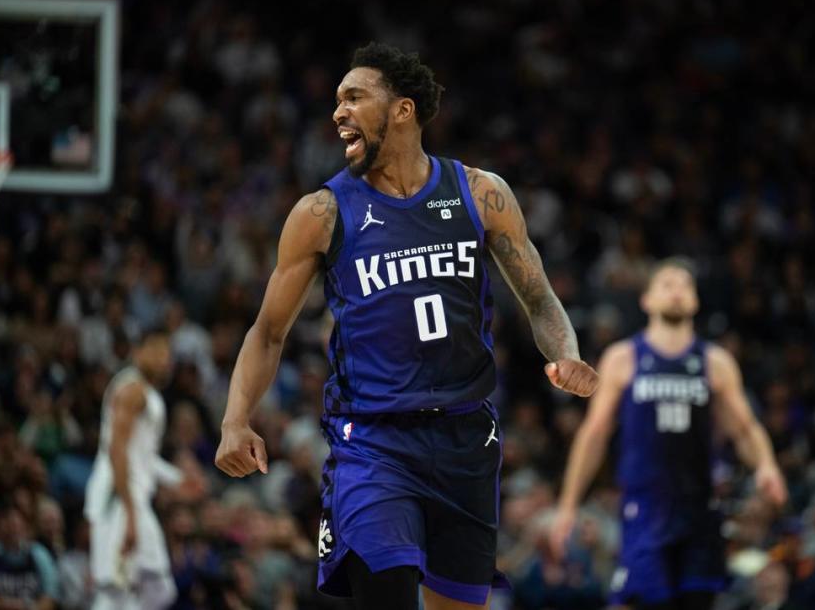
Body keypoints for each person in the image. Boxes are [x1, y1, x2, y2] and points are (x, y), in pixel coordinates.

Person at [214, 42, 599, 610]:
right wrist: (235, 419)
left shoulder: (479, 192)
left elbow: (539, 296)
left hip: (466, 440)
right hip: (373, 443)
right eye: (337, 101)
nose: (338, 113)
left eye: (354, 98)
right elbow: (268, 332)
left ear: (402, 110)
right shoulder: (320, 213)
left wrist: (566, 352)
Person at [550, 258, 788, 610]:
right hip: (645, 506)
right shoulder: (623, 357)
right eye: (667, 284)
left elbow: (745, 428)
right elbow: (594, 434)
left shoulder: (715, 361)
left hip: (699, 505)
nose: (677, 291)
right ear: (647, 300)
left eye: (684, 285)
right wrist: (568, 505)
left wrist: (766, 465)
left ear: (695, 301)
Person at [83, 329, 182, 609]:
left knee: (154, 589)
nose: (165, 360)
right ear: (138, 352)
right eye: (158, 351)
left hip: (133, 497)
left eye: (168, 354)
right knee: (114, 591)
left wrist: (176, 480)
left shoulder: (149, 394)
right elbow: (116, 450)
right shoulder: (132, 389)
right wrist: (128, 511)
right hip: (117, 497)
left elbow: (143, 456)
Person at [0, 503, 60, 609]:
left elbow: (50, 595)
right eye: (7, 523)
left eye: (16, 524)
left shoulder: (38, 553)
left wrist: (31, 607)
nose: (12, 528)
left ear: (26, 527)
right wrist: (8, 604)